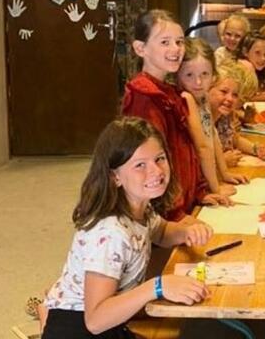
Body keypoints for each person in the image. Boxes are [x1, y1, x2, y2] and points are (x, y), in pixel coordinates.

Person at [41, 117, 213, 338]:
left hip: (110, 321)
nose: (156, 171)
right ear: (115, 177)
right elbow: (95, 321)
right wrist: (157, 287)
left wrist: (185, 232)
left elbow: (161, 232)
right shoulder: (111, 233)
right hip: (80, 328)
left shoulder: (140, 206)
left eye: (159, 159)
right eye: (140, 165)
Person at [122, 10, 226, 219]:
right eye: (165, 42)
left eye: (179, 42)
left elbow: (186, 150)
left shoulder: (170, 92)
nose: (175, 49)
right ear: (140, 48)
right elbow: (151, 167)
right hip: (164, 215)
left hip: (185, 202)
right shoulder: (145, 97)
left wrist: (200, 192)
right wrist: (174, 215)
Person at [176, 38, 247, 192]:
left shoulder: (202, 98)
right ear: (177, 74)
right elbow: (203, 147)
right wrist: (216, 188)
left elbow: (212, 136)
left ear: (213, 75)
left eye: (204, 74)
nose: (198, 82)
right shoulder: (187, 98)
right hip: (188, 180)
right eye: (189, 75)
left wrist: (225, 173)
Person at [208, 61, 265, 167]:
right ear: (208, 89)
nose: (230, 98)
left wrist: (256, 149)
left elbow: (234, 139)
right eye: (223, 92)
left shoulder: (225, 114)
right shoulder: (198, 119)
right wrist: (221, 162)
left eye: (235, 95)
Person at [237, 31, 265, 102]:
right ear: (245, 51)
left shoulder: (255, 67)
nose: (263, 58)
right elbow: (246, 98)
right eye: (257, 53)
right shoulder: (246, 66)